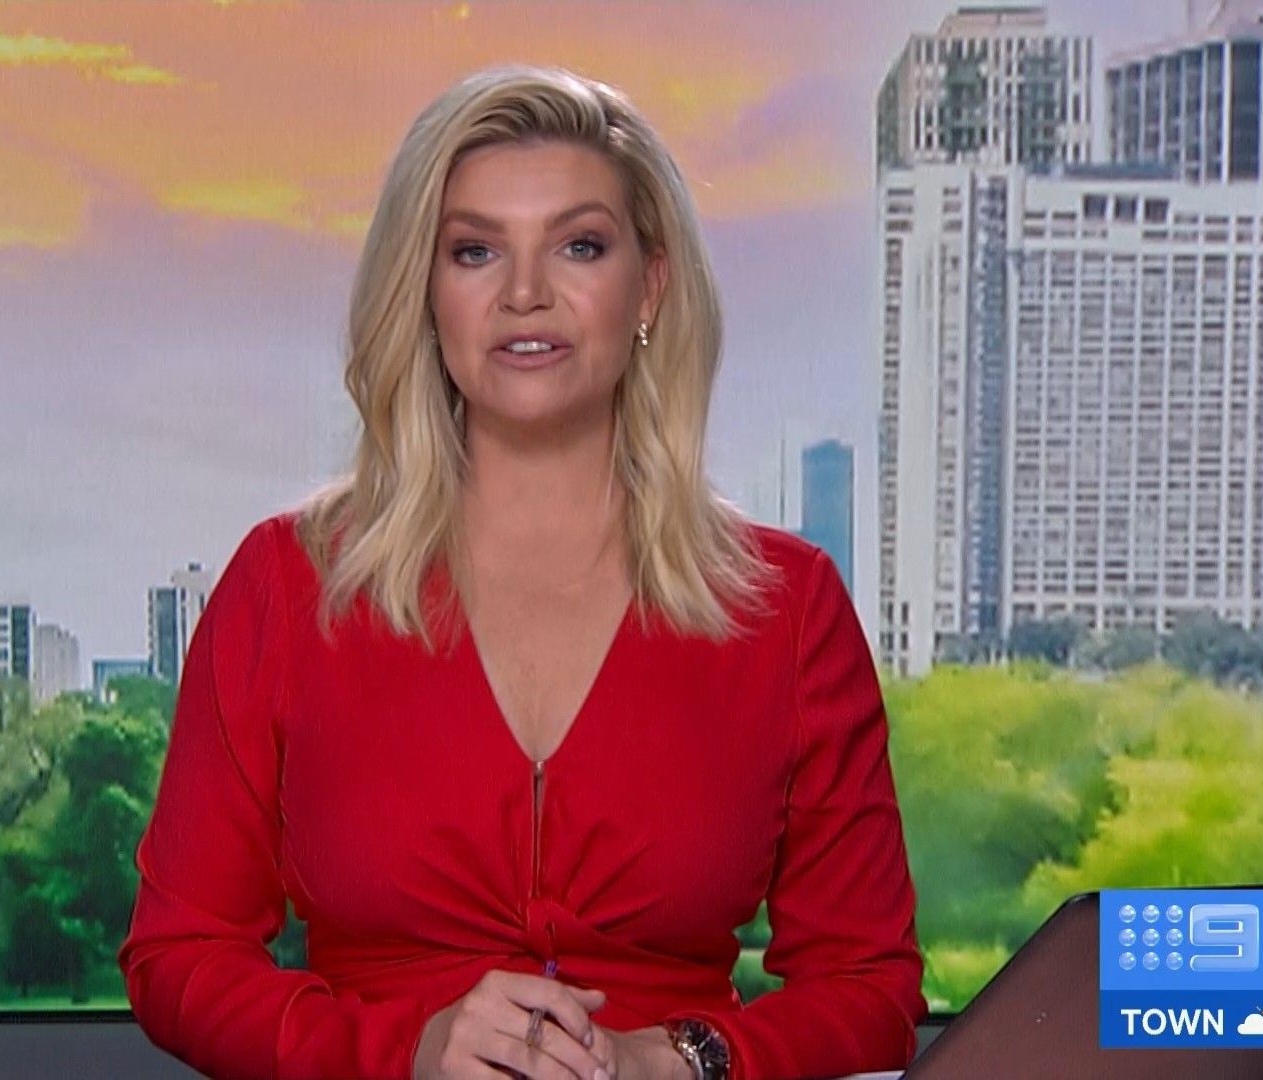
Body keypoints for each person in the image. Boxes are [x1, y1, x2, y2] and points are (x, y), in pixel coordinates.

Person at [119, 64, 926, 1080]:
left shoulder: (786, 609)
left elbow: (869, 987)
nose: (525, 293)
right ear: (426, 293)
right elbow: (178, 955)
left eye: (579, 245)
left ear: (650, 287)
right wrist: (405, 1054)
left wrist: (672, 1060)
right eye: (475, 250)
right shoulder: (288, 586)